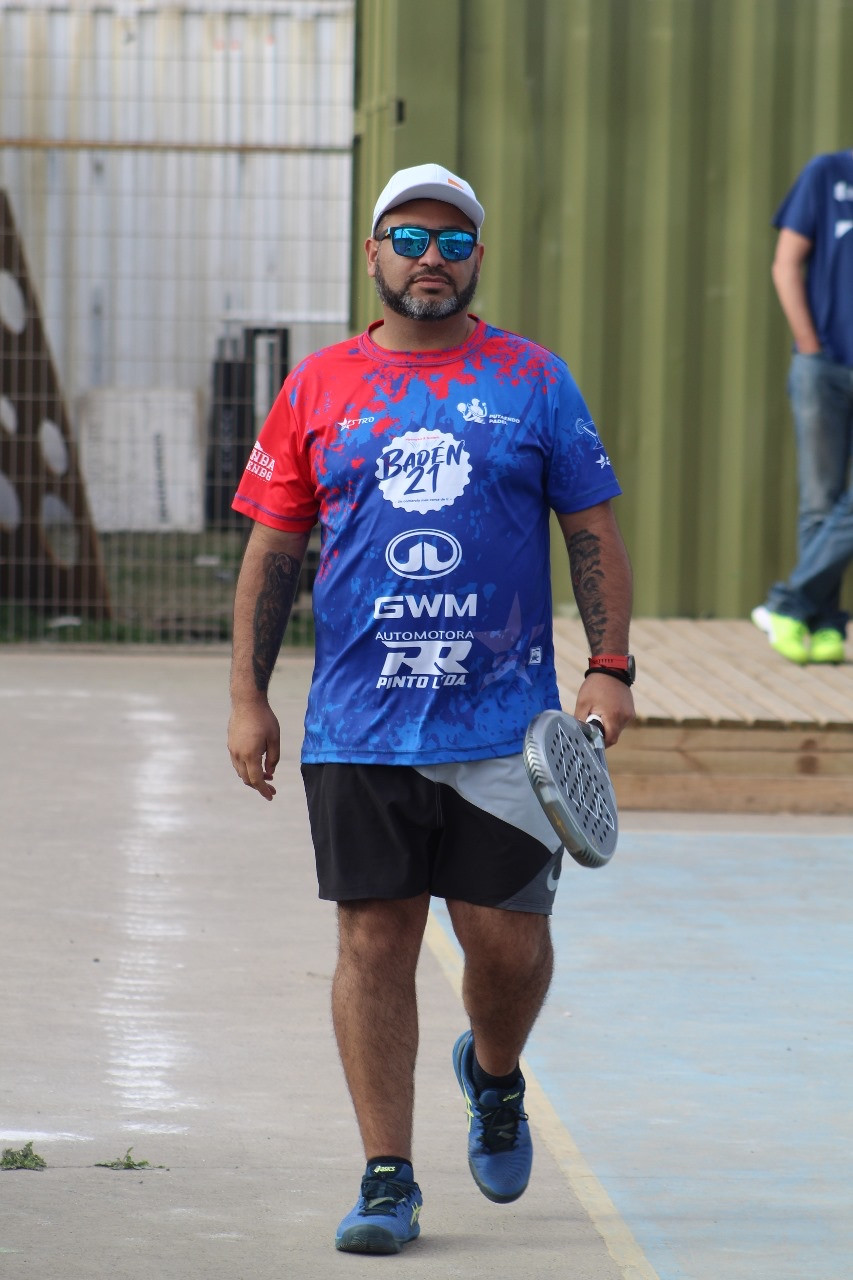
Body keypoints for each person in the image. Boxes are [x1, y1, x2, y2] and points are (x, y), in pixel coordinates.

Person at [227, 162, 635, 1254]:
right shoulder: (318, 386)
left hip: (505, 728)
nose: (429, 259)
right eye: (408, 238)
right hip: (358, 727)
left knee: (507, 947)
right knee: (374, 941)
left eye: (452, 243)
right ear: (373, 253)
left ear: (476, 259)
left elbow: (591, 529)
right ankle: (387, 1177)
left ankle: (492, 1072)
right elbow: (274, 549)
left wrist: (610, 666)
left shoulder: (533, 380)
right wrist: (248, 697)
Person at [752, 148, 853, 664]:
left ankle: (788, 606)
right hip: (825, 363)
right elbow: (785, 264)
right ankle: (825, 624)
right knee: (820, 501)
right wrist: (810, 347)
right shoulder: (828, 173)